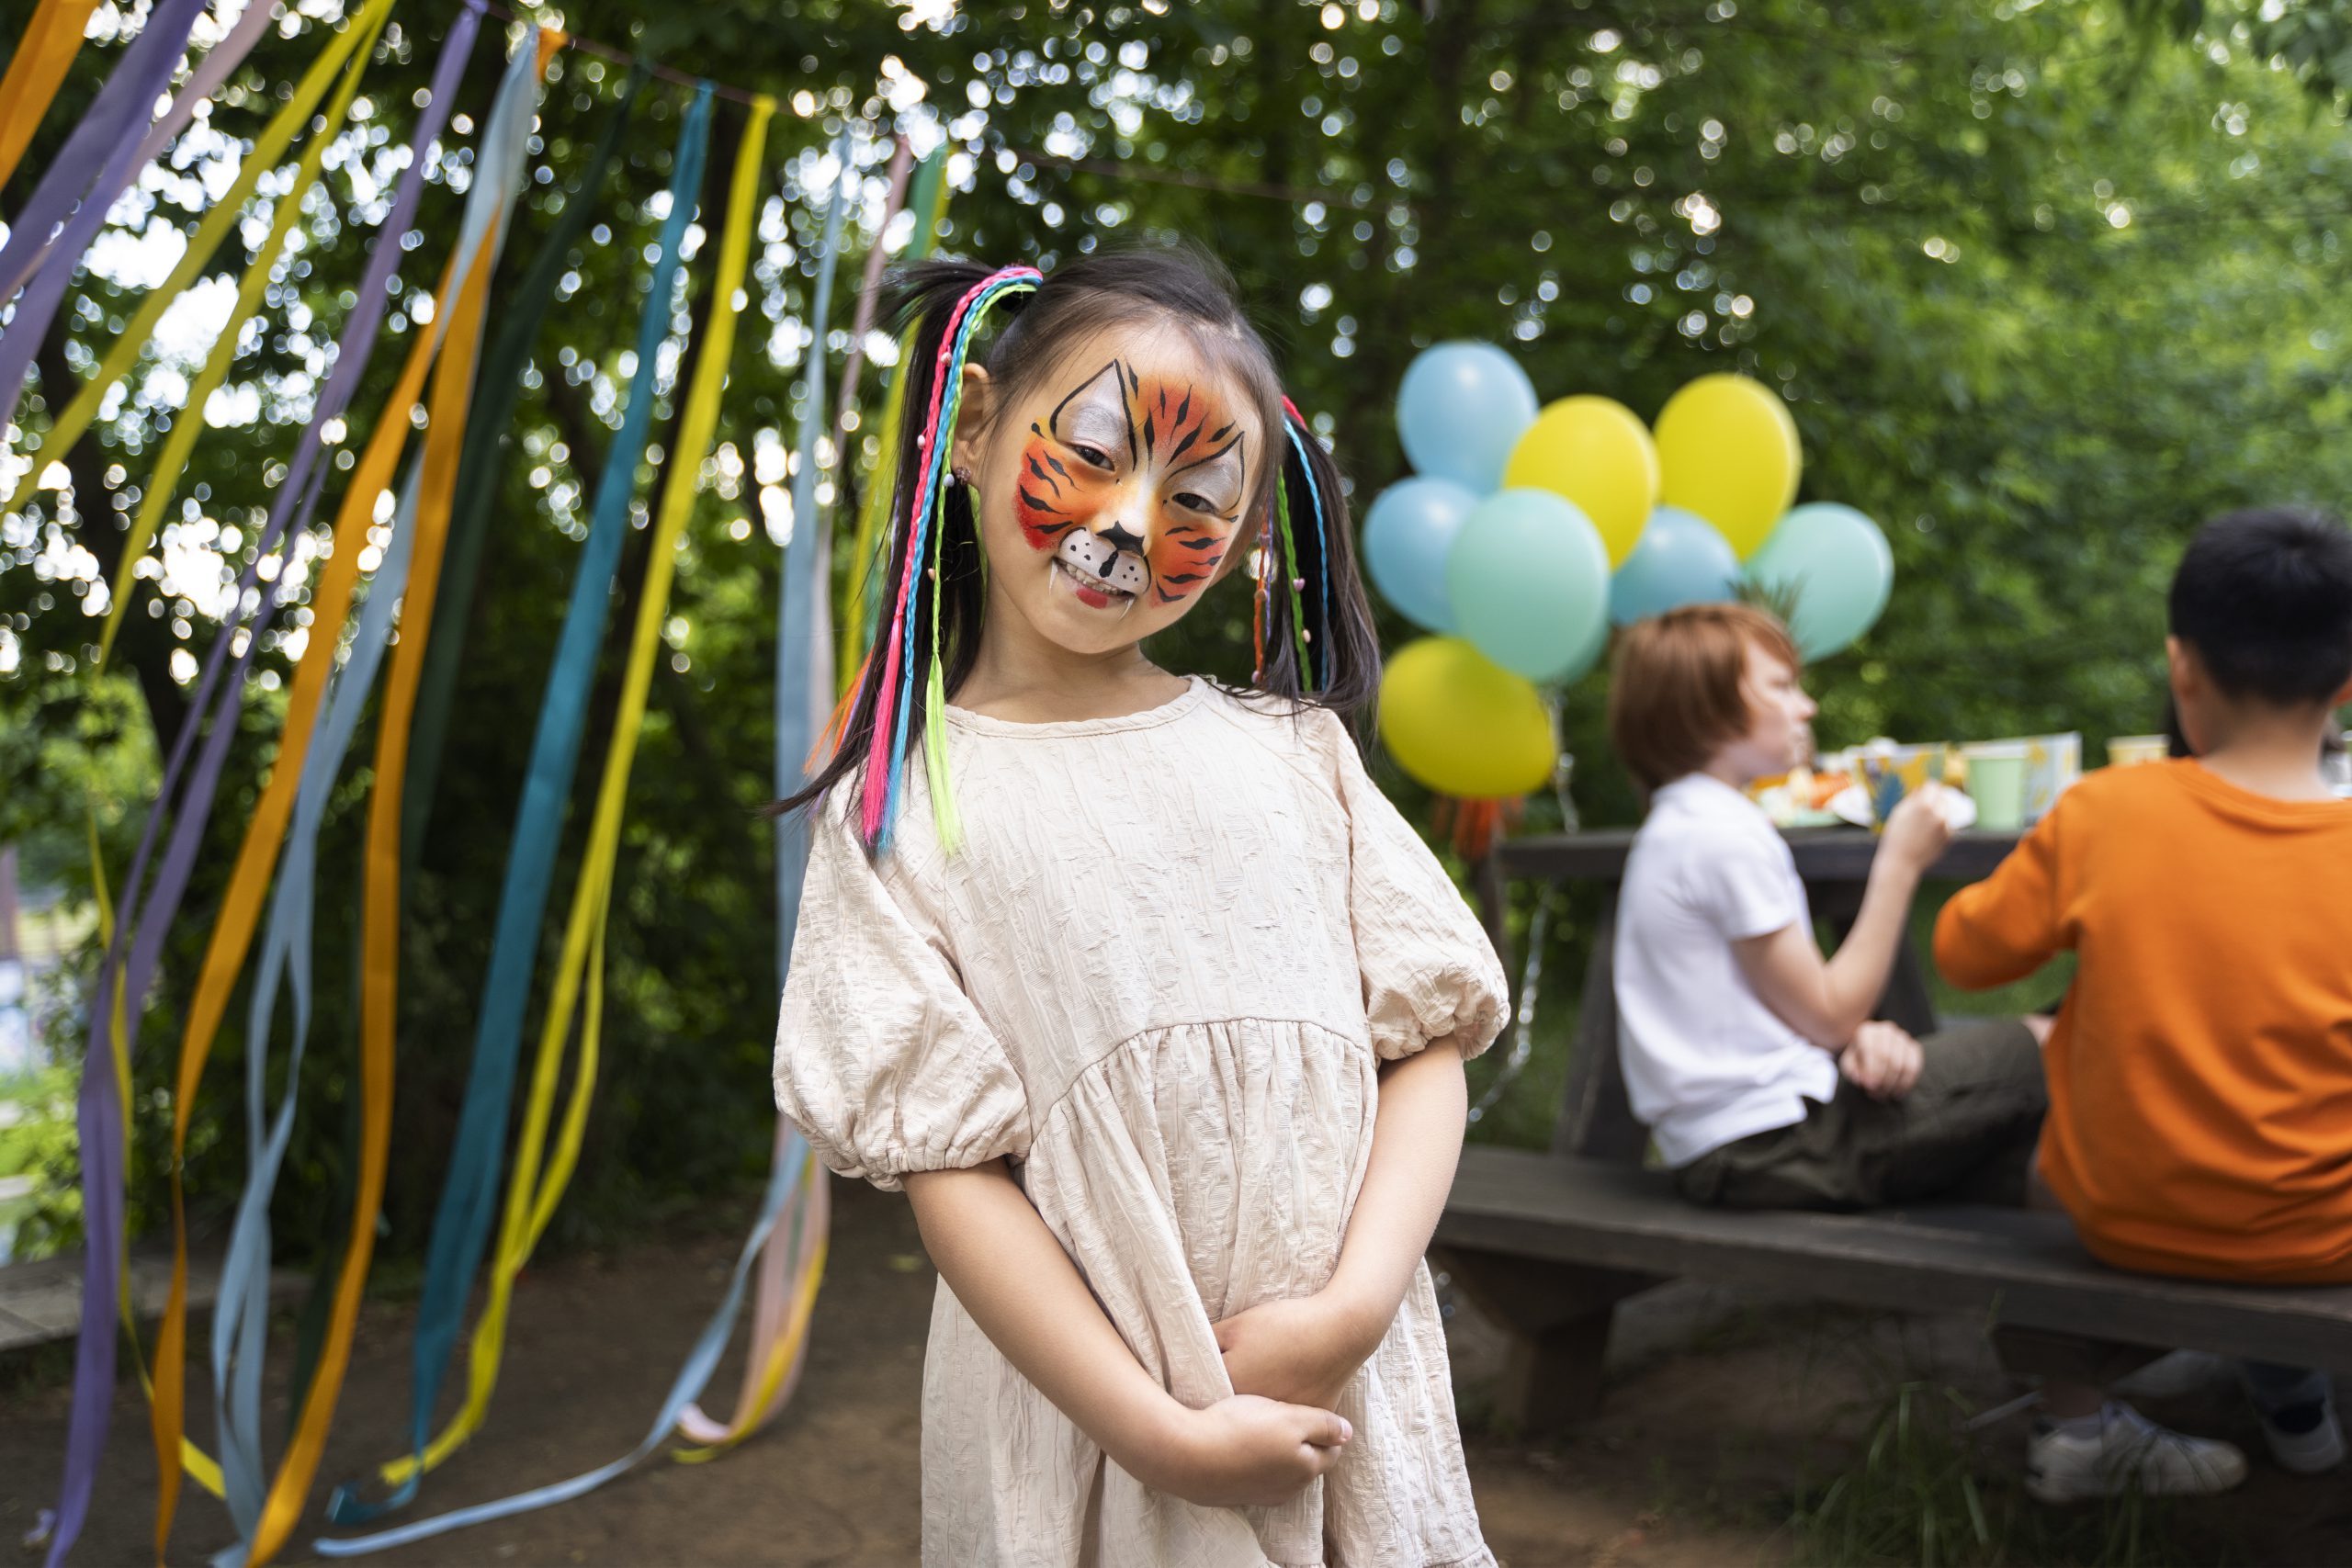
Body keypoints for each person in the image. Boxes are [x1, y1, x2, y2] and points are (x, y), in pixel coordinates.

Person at [770, 247, 1508, 1567]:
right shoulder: (903, 811)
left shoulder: (1299, 756)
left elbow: (1426, 1045)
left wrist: (1351, 1308)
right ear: (978, 427)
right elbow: (954, 1174)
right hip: (1094, 1429)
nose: (1126, 522)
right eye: (1098, 450)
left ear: (1249, 535)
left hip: (1343, 1389)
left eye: (1198, 493)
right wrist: (1154, 1430)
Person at [1938, 505, 2352, 1500]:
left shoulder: (2103, 815)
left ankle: (2087, 1421)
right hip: (2326, 1232)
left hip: (2124, 1219)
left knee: (2030, 1085)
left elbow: (1960, 954)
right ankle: (2291, 1394)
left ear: (2182, 668)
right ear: (2345, 686)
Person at [1607, 604, 2051, 1212]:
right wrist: (1899, 862)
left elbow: (1786, 1009)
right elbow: (1832, 1013)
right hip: (1781, 1144)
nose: (1806, 706)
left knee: (2006, 1145)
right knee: (2056, 1036)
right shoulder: (1723, 834)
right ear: (1706, 712)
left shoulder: (1682, 820)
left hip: (1732, 1144)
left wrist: (1858, 1037)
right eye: (1782, 686)